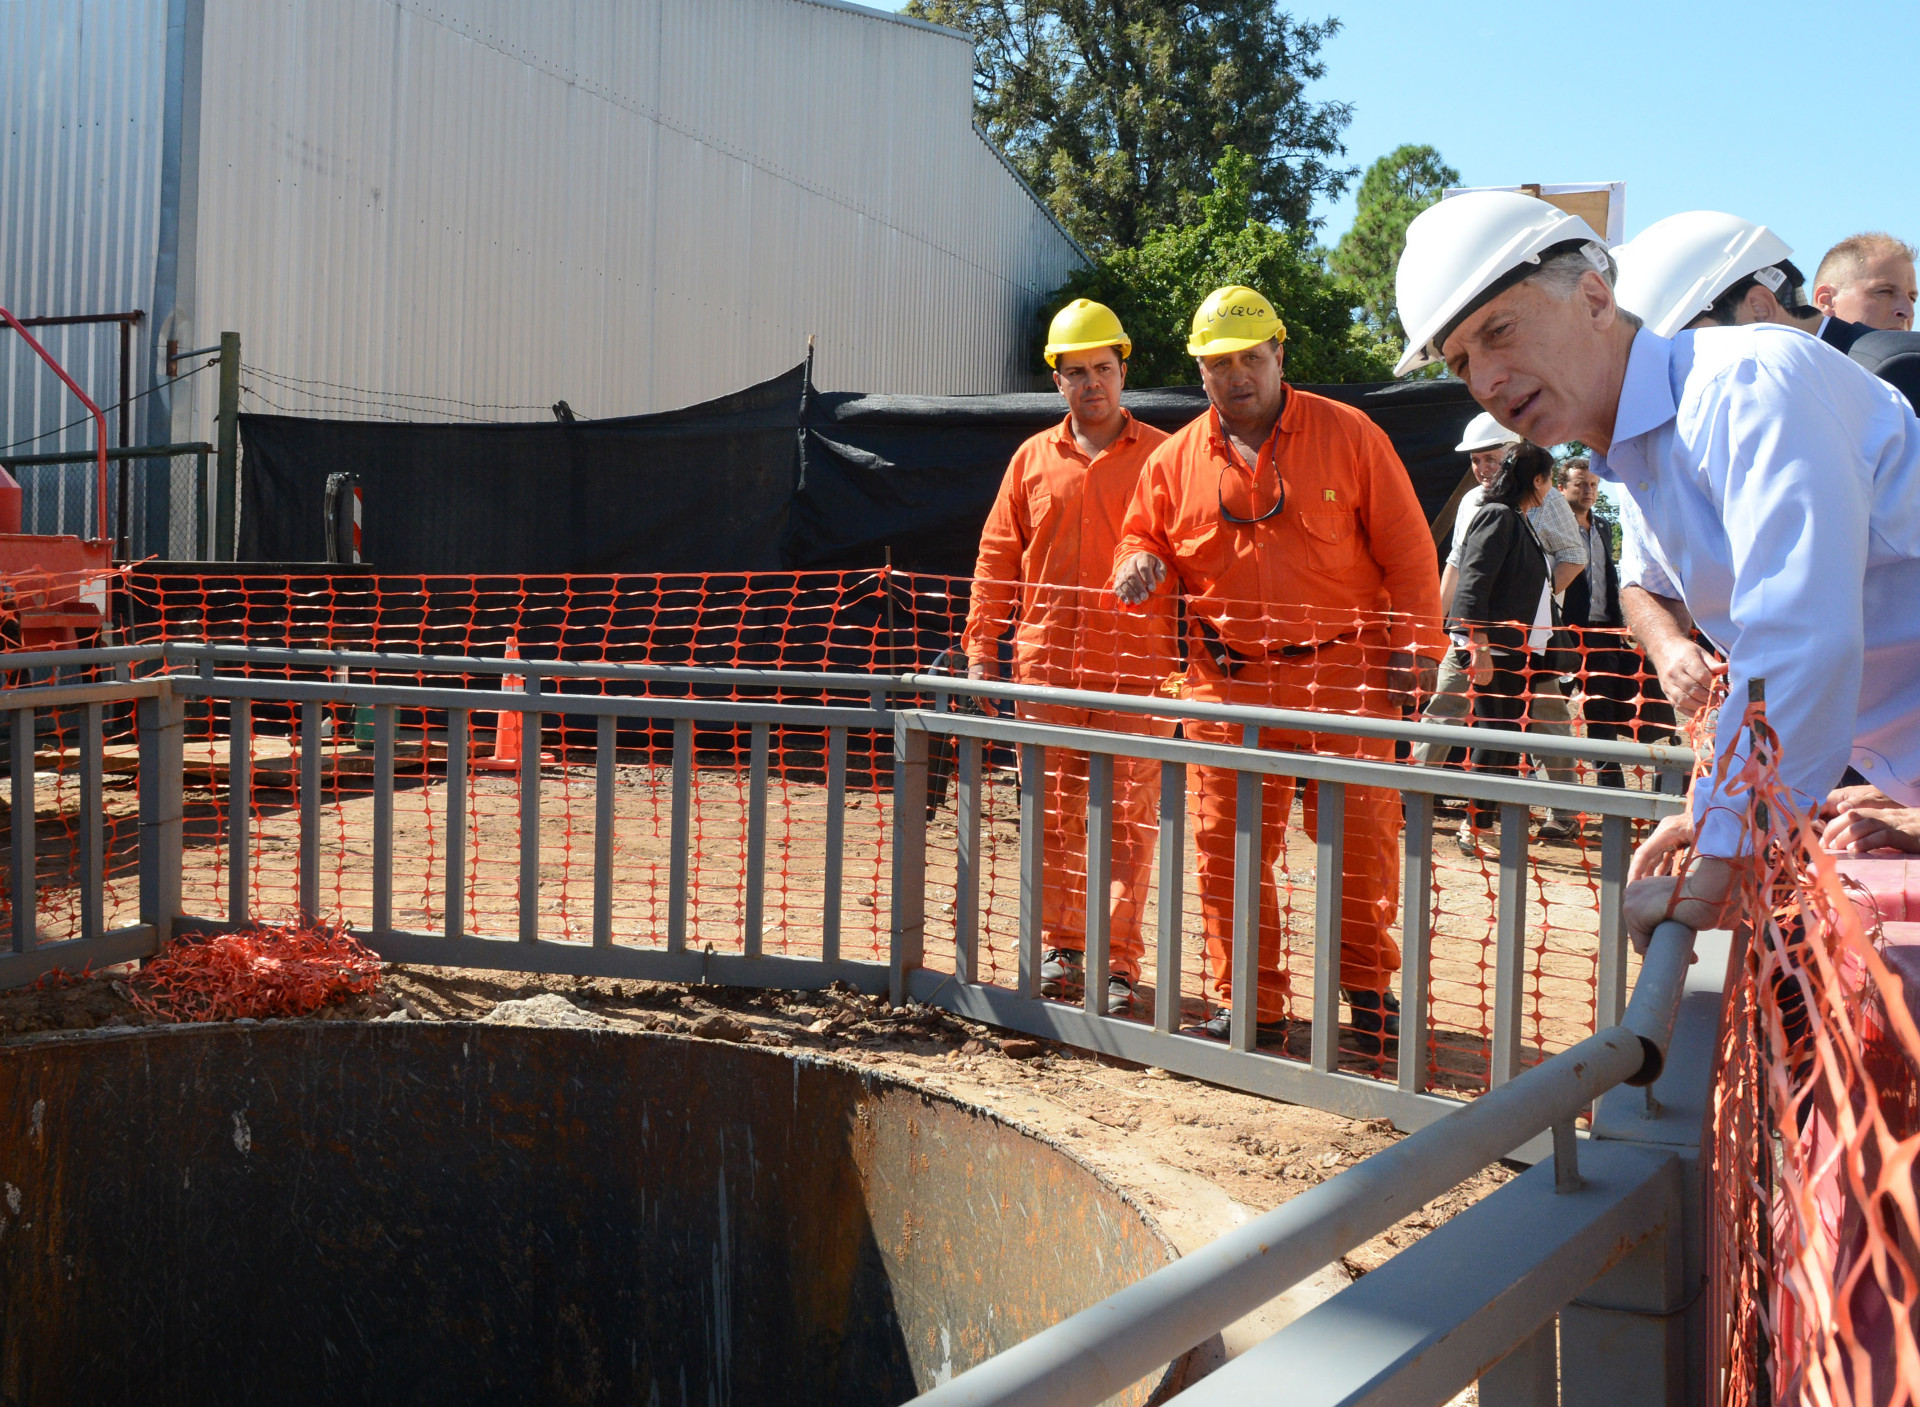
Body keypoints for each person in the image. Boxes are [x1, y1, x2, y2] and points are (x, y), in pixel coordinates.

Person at [1392, 190, 1920, 950]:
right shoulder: (1648, 453)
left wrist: (1720, 863)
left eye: (1499, 331)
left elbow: (1798, 639)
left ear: (1596, 297)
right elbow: (1766, 659)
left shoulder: (1745, 383)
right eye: (1463, 360)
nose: (1486, 381)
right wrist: (1715, 814)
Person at [1111, 285, 1443, 1051]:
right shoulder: (1170, 463)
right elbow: (1140, 538)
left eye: (1250, 359)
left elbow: (1408, 550)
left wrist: (1418, 652)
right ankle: (1253, 1005)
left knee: (1363, 846)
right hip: (1227, 686)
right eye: (1219, 364)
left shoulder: (1350, 434)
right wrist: (1138, 561)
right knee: (1227, 848)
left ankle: (1369, 994)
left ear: (1279, 356)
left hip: (1348, 676)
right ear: (1199, 373)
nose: (1237, 377)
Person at [1610, 214, 1920, 717]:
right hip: (1776, 726)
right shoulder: (1662, 424)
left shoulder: (1899, 374)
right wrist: (1667, 645)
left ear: (1758, 307)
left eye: (1691, 343)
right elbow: (1646, 575)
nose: (1677, 370)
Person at [961, 298, 1177, 1015]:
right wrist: (979, 651)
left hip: (1137, 674)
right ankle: (1064, 949)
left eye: (1104, 369)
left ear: (1124, 370)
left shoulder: (1164, 458)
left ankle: (1115, 964)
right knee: (1052, 813)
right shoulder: (1030, 461)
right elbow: (996, 558)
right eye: (1077, 371)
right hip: (1046, 667)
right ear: (1057, 380)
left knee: (1127, 818)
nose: (1093, 384)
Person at [1411, 411, 1583, 838]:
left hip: (1528, 640)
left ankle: (1559, 811)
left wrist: (1531, 607)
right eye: (1475, 460)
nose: (1482, 469)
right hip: (1487, 638)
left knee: (1539, 719)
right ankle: (1414, 793)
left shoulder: (1542, 503)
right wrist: (1446, 627)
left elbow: (1572, 559)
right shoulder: (1483, 506)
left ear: (1513, 457)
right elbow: (1462, 570)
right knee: (1455, 710)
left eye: (1490, 459)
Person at [1450, 443, 1560, 847]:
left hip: (1515, 650)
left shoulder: (1517, 519)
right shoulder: (1498, 516)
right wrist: (1477, 645)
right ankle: (1475, 825)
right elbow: (1473, 582)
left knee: (1506, 734)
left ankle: (1488, 824)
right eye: (1550, 479)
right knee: (1494, 733)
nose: (1551, 489)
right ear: (1536, 480)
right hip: (1492, 649)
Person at [1557, 458, 1667, 788]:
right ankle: (1534, 785)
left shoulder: (1603, 525)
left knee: (1601, 713)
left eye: (1593, 484)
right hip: (1562, 634)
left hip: (1604, 634)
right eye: (1580, 484)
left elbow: (1610, 578)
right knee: (1546, 712)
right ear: (1561, 488)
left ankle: (1611, 788)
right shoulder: (1550, 527)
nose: (1589, 490)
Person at [1813, 232, 1917, 332]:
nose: (1908, 312)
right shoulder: (1798, 349)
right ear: (1827, 301)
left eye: (1912, 298)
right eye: (1885, 292)